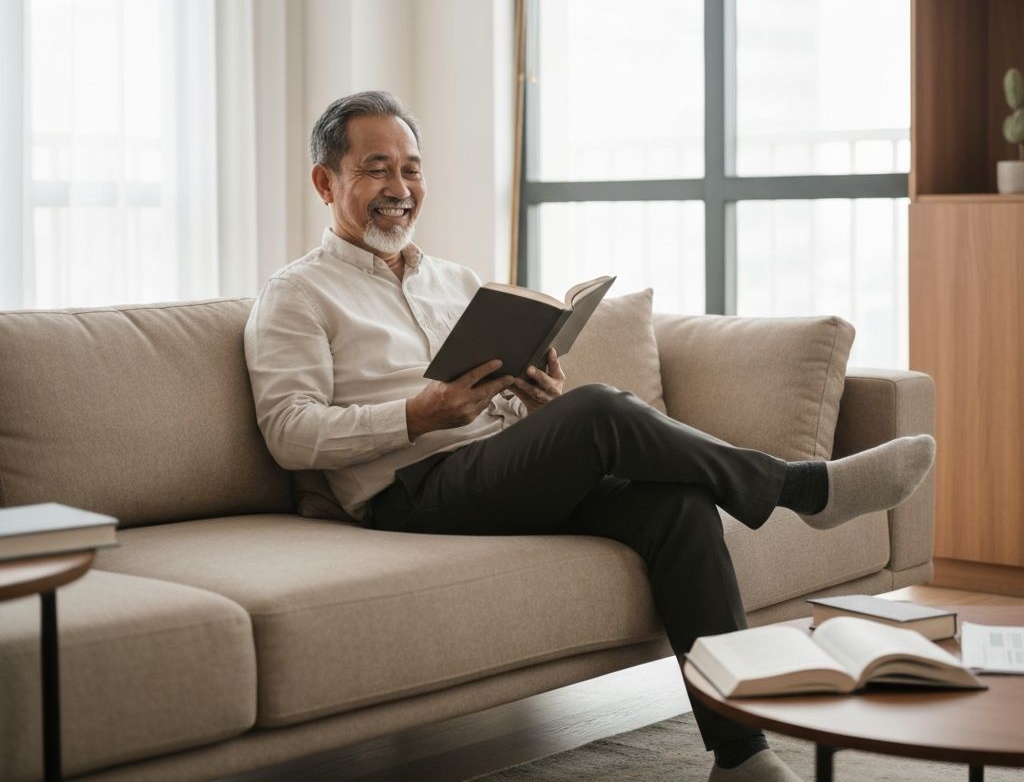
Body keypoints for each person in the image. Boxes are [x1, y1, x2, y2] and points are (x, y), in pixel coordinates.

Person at [244, 90, 935, 782]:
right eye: (376, 169)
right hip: (406, 493)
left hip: (489, 471)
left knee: (678, 506)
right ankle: (799, 487)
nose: (400, 188)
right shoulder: (298, 295)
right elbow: (289, 433)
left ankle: (740, 756)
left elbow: (483, 405)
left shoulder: (453, 281)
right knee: (601, 411)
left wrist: (533, 402)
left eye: (412, 169)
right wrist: (416, 416)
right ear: (325, 182)